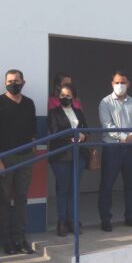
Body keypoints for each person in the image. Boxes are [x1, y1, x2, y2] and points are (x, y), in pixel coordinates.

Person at [0, 69, 37, 255]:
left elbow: (33, 129)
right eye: (9, 80)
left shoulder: (29, 103)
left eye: (16, 80)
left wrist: (32, 151)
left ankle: (20, 238)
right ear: (4, 83)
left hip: (25, 157)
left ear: (23, 82)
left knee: (21, 198)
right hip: (5, 158)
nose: (13, 83)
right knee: (5, 200)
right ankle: (7, 240)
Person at [97, 71, 132, 231]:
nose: (120, 85)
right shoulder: (105, 102)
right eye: (117, 82)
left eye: (123, 82)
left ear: (128, 83)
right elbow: (107, 124)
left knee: (131, 184)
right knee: (107, 185)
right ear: (112, 84)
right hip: (112, 148)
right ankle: (105, 218)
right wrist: (123, 136)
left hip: (131, 148)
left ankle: (130, 216)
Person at [47, 84, 89, 236]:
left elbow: (86, 128)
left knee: (74, 189)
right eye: (62, 95)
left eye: (68, 95)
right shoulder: (54, 113)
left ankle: (73, 220)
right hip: (61, 156)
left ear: (74, 97)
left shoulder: (78, 111)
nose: (65, 98)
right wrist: (72, 136)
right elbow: (55, 132)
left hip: (78, 154)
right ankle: (62, 221)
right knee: (63, 189)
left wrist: (83, 135)